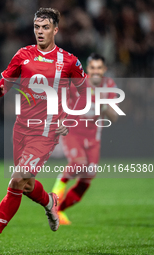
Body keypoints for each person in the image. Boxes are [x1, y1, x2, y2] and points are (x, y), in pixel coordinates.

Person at [0, 8, 88, 254]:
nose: (40, 32)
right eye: (37, 27)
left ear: (56, 29)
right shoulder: (23, 54)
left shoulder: (68, 61)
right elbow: (8, 79)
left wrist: (70, 118)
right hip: (21, 128)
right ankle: (50, 202)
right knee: (26, 184)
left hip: (46, 132)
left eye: (45, 27)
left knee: (16, 180)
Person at [52, 53, 119, 225]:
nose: (96, 72)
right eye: (92, 68)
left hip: (93, 139)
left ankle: (59, 211)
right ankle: (59, 187)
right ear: (88, 69)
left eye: (99, 68)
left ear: (104, 69)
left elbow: (114, 117)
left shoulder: (109, 86)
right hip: (73, 133)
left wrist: (105, 104)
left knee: (87, 179)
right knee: (79, 163)